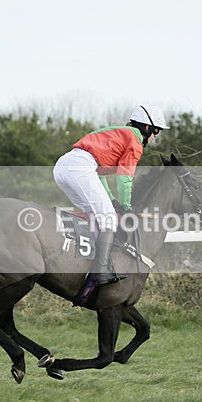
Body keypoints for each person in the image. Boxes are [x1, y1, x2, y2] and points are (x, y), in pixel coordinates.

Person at [53, 105, 168, 297]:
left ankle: (86, 260)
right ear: (147, 128)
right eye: (156, 131)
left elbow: (100, 173)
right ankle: (101, 269)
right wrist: (126, 205)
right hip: (80, 168)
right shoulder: (135, 140)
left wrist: (112, 199)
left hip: (64, 168)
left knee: (97, 216)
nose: (156, 136)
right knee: (109, 219)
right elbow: (125, 177)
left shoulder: (117, 133)